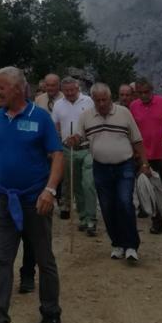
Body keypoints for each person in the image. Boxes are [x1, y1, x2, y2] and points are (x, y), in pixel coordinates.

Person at [0, 67, 64, 323]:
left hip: (35, 200)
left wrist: (50, 190)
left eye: (1, 87)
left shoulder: (40, 118)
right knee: (2, 260)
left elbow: (57, 155)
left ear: (18, 89)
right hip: (3, 199)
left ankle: (51, 314)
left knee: (44, 259)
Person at [0, 85, 36, 299]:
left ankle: (28, 275)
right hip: (0, 189)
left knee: (29, 236)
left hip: (27, 191)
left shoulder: (34, 120)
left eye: (3, 96)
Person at [79, 83, 150, 262]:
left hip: (124, 165)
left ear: (110, 98)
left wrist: (144, 163)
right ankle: (117, 243)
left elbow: (137, 140)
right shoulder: (86, 116)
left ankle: (132, 245)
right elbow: (79, 138)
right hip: (100, 166)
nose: (102, 104)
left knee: (125, 202)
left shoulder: (124, 113)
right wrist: (73, 139)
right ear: (93, 100)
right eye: (98, 100)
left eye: (105, 100)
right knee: (107, 206)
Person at [130, 78, 162, 233]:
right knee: (150, 190)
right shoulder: (134, 106)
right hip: (145, 155)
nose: (144, 95)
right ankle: (157, 222)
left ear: (152, 90)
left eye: (147, 92)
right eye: (140, 93)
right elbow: (132, 130)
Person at [52, 77, 97, 234]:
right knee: (76, 185)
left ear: (78, 88)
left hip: (87, 148)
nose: (70, 93)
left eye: (73, 90)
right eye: (67, 91)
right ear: (62, 91)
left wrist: (81, 136)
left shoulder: (89, 101)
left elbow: (95, 123)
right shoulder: (58, 104)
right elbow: (55, 125)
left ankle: (92, 219)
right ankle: (83, 217)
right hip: (68, 149)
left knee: (88, 184)